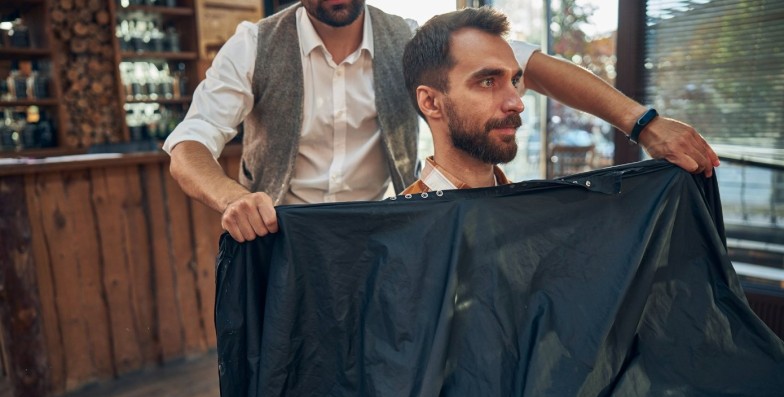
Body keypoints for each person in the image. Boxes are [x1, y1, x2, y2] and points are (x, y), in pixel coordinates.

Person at [163, 0, 719, 242]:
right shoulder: (254, 46)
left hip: (389, 236)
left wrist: (643, 123)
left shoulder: (409, 39)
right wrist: (232, 198)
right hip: (286, 242)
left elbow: (532, 66)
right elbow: (189, 144)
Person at [400, 7, 524, 194]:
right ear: (430, 102)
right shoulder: (400, 222)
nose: (517, 104)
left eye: (514, 81)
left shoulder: (530, 211)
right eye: (487, 82)